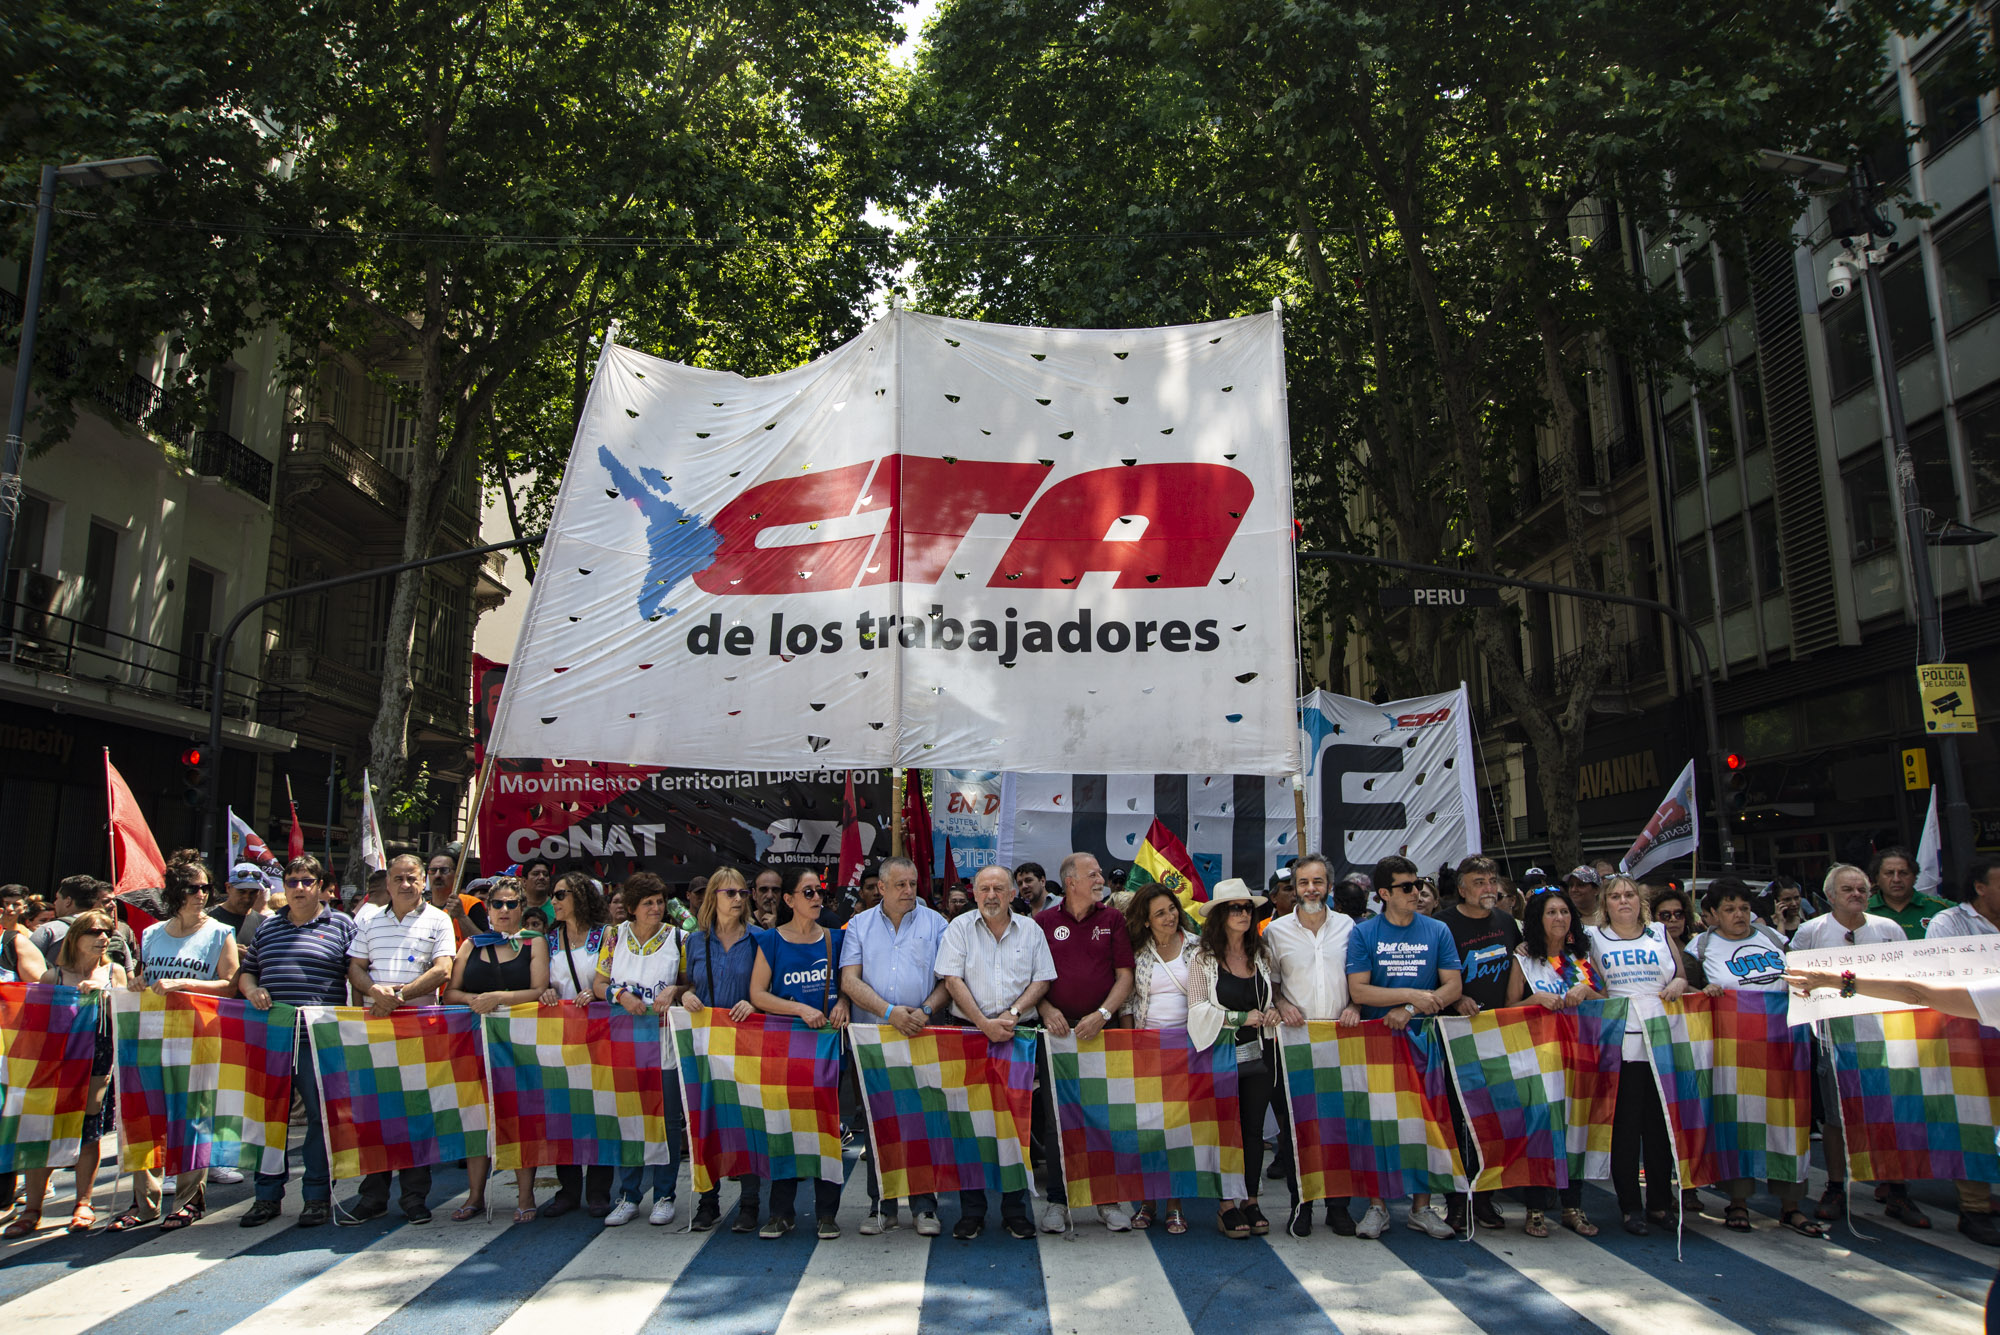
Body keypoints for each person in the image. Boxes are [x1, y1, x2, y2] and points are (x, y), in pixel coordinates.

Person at [1685, 878, 1827, 1239]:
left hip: (1784, 1047)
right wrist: (1703, 991)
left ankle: (1791, 1205)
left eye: (1744, 908)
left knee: (1788, 1122)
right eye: (1729, 909)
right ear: (1711, 914)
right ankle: (1738, 1201)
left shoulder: (1773, 939)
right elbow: (1687, 993)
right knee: (1737, 1123)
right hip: (1732, 1054)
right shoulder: (1700, 948)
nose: (1739, 915)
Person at [1792, 863, 1917, 1225]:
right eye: (1848, 889)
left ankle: (1897, 1189)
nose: (1856, 895)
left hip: (1884, 1037)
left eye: (1862, 889)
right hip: (1834, 1041)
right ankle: (1835, 1185)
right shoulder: (1810, 932)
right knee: (1835, 1117)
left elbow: (1906, 977)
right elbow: (1795, 981)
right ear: (1830, 896)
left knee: (1890, 1115)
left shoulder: (1888, 929)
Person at [1345, 854, 1462, 1239]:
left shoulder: (1437, 930)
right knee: (1377, 1123)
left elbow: (1453, 986)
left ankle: (1422, 1207)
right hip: (1377, 1039)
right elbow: (1359, 989)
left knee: (1426, 1119)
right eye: (1407, 886)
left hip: (1423, 1037)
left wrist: (1410, 1007)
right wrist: (1411, 993)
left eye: (1419, 884)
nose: (1417, 892)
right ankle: (1377, 1207)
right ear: (1383, 893)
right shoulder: (1364, 933)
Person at [935, 863, 1055, 1240]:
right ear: (974, 892)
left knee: (1014, 1123)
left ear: (1011, 893)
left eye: (998, 889)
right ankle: (972, 1211)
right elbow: (951, 980)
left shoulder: (1032, 930)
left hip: (1017, 1038)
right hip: (968, 1036)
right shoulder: (958, 929)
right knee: (968, 1126)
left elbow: (1042, 979)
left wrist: (1012, 1014)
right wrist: (984, 1024)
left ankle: (1015, 1210)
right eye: (984, 888)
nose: (991, 896)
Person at [236, 855, 356, 1228]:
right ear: (283, 887)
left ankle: (317, 1195)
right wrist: (252, 990)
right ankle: (266, 1195)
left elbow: (359, 973)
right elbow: (246, 973)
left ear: (321, 886)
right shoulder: (267, 928)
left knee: (322, 1118)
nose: (299, 888)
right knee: (266, 1118)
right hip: (271, 1038)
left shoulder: (343, 926)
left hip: (318, 1040)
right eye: (292, 882)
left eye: (307, 881)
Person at [123, 857, 240, 1232]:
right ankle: (144, 1203)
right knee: (147, 1116)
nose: (201, 895)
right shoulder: (152, 933)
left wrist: (184, 984)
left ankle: (189, 1200)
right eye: (192, 888)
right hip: (150, 1034)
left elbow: (231, 985)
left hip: (197, 1035)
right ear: (174, 891)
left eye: (206, 887)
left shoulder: (220, 932)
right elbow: (144, 977)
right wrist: (137, 983)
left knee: (192, 1118)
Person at [839, 856, 950, 1237]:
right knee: (877, 1124)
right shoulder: (858, 925)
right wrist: (890, 1013)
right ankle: (881, 1206)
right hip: (873, 1038)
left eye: (912, 884)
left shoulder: (936, 923)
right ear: (881, 888)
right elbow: (850, 982)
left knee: (922, 1122)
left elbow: (949, 979)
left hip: (921, 1034)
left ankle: (924, 1207)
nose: (908, 892)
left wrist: (923, 1010)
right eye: (900, 885)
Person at [346, 853, 455, 1224]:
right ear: (387, 883)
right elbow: (355, 968)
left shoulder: (439, 920)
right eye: (398, 878)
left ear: (423, 880)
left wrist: (400, 997)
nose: (405, 885)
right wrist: (376, 993)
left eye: (412, 878)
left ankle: (414, 1197)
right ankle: (372, 1196)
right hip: (375, 1027)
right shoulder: (369, 920)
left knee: (416, 1114)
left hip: (418, 1029)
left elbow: (443, 970)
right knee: (375, 1114)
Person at [4, 909, 125, 1237]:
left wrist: (105, 995)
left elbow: (127, 1022)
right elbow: (33, 1025)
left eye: (107, 931)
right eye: (95, 931)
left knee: (88, 1131)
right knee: (40, 1132)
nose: (103, 937)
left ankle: (83, 1203)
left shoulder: (114, 973)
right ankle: (32, 1210)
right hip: (53, 1064)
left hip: (97, 1063)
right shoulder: (52, 977)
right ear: (76, 938)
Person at [1034, 851, 1135, 1233]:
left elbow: (1125, 975)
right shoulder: (1042, 921)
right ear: (1071, 881)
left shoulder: (1112, 919)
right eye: (1092, 874)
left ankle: (1107, 1201)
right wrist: (1045, 1009)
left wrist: (1103, 1015)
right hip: (1056, 1035)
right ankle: (1058, 1201)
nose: (1100, 879)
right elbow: (1029, 979)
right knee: (1056, 1118)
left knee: (1102, 1117)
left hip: (1101, 1033)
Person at [749, 868, 848, 1240]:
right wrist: (800, 1010)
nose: (817, 898)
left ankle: (827, 1212)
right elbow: (758, 994)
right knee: (783, 1129)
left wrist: (846, 1006)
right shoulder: (772, 941)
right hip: (785, 1049)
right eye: (808, 892)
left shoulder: (836, 939)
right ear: (789, 900)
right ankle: (780, 1211)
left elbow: (850, 982)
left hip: (826, 1049)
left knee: (826, 1129)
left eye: (819, 891)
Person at [1266, 853, 1360, 1238]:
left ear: (1329, 887)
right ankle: (1300, 1204)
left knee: (1340, 1127)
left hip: (1341, 1039)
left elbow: (1361, 976)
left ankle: (1338, 1207)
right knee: (1296, 1130)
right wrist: (1283, 1004)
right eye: (1302, 883)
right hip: (1295, 1043)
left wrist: (1355, 1005)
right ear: (1293, 889)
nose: (1310, 890)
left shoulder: (1350, 928)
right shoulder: (1276, 931)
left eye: (1317, 882)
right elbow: (1269, 984)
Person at [1588, 874, 1688, 1235]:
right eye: (1615, 896)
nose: (1624, 901)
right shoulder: (1594, 939)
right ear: (1605, 905)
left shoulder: (1659, 933)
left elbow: (1679, 973)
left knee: (1660, 1127)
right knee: (1626, 1129)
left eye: (1629, 894)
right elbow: (1585, 979)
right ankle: (1631, 1206)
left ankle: (1661, 1202)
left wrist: (1679, 982)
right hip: (1621, 1040)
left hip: (1662, 1038)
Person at [443, 884, 550, 1221]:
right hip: (474, 1041)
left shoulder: (534, 942)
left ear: (521, 907)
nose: (504, 910)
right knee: (476, 1117)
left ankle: (525, 1194)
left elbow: (538, 989)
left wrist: (499, 998)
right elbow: (451, 992)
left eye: (512, 903)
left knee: (519, 1117)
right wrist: (473, 1001)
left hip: (519, 1042)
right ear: (487, 908)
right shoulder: (470, 944)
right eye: (497, 904)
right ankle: (475, 1194)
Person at [1184, 879, 1282, 1239]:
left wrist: (1270, 1013)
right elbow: (1197, 1009)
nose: (1243, 914)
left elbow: (1269, 999)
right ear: (1221, 916)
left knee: (1253, 1129)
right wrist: (1242, 1018)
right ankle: (1226, 1202)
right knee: (1224, 1128)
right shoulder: (1204, 959)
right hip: (1219, 1054)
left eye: (1247, 908)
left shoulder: (1261, 956)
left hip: (1258, 1051)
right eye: (1235, 908)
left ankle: (1250, 1198)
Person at [1504, 887, 1601, 1238]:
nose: (1559, 918)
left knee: (1575, 1131)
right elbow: (1507, 1009)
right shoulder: (1525, 960)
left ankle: (1573, 1206)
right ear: (1537, 920)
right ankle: (1534, 1209)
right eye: (1551, 913)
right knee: (1540, 1132)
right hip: (1538, 1060)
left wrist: (1588, 992)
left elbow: (1607, 1005)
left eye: (1564, 912)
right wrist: (1534, 999)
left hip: (1580, 1059)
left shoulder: (1582, 959)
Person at [593, 872, 686, 1227]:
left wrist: (675, 991)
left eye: (660, 901)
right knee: (628, 1116)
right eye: (648, 902)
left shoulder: (679, 937)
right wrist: (621, 995)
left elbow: (691, 979)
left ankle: (664, 1194)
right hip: (625, 1039)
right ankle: (629, 1195)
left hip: (663, 1040)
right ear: (631, 907)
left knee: (666, 1118)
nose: (656, 908)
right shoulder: (613, 937)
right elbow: (600, 982)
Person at [1439, 854, 1521, 1232]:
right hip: (1455, 1035)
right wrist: (1455, 998)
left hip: (1500, 1034)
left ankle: (1484, 1199)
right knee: (1457, 1120)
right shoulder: (1442, 924)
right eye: (1479, 881)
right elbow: (1429, 977)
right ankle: (1456, 1201)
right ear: (1462, 888)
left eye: (1491, 881)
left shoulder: (1507, 923)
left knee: (1493, 1118)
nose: (1488, 888)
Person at [531, 870, 616, 1219]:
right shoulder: (548, 940)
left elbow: (607, 978)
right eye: (553, 895)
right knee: (562, 1114)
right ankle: (567, 1190)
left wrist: (595, 991)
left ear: (580, 897)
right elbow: (540, 984)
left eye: (561, 895)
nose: (554, 901)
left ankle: (598, 1192)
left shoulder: (606, 935)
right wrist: (546, 992)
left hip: (598, 1036)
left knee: (599, 1112)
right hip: (559, 1038)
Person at [683, 865, 762, 1233]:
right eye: (730, 893)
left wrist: (756, 1005)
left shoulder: (761, 938)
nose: (737, 899)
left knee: (747, 1122)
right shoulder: (694, 941)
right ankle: (707, 1201)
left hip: (747, 1043)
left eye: (743, 893)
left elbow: (769, 990)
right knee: (707, 1122)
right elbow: (684, 983)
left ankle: (749, 1202)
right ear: (712, 897)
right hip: (705, 1043)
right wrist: (684, 994)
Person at [1925, 860, 2000, 1246]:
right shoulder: (1948, 923)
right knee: (1973, 1118)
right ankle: (1974, 1207)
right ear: (1980, 888)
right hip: (1967, 1038)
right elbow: (1938, 981)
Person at [1122, 880, 1197, 1234]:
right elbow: (1128, 1000)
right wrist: (1128, 1041)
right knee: (1148, 1130)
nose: (1170, 917)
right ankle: (1147, 1201)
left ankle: (1176, 1204)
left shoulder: (1198, 948)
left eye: (1172, 909)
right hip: (1146, 1050)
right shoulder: (1137, 953)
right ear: (1146, 920)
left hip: (1189, 1050)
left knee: (1179, 1129)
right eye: (1160, 913)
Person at [1866, 847, 1948, 938]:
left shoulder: (1942, 908)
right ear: (1877, 878)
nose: (1896, 879)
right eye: (1889, 873)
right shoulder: (1863, 910)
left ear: (1914, 877)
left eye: (1903, 873)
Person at [427, 852, 488, 944]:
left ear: (456, 874)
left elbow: (483, 943)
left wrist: (461, 916)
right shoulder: (422, 908)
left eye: (444, 870)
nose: (437, 875)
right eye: (433, 870)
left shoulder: (471, 903)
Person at [210, 862, 273, 950]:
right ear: (228, 887)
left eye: (253, 892)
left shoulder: (264, 924)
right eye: (242, 892)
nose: (247, 898)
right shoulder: (207, 918)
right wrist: (227, 952)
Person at [0, 883, 48, 983]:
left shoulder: (23, 940)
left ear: (24, 908)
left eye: (16, 904)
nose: (10, 908)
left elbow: (38, 985)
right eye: (6, 903)